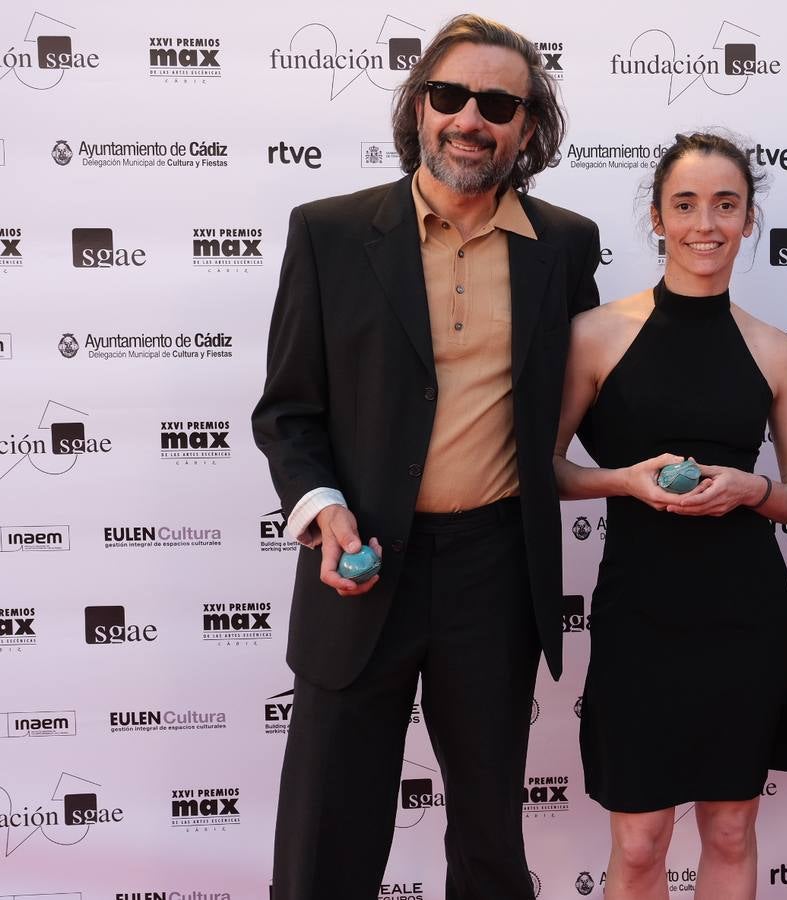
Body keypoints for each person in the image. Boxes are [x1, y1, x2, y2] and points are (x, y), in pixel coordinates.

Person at [251, 14, 601, 899]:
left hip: (493, 571)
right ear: (418, 107)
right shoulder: (329, 232)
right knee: (328, 830)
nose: (469, 118)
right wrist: (324, 510)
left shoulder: (563, 244)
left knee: (489, 835)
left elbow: (598, 390)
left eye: (497, 102)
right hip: (359, 564)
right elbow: (289, 413)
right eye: (449, 96)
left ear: (528, 125)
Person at [553, 132, 787, 900]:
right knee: (639, 843)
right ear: (657, 218)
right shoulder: (595, 335)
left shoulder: (777, 352)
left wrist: (754, 490)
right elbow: (541, 470)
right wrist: (625, 483)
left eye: (726, 205)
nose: (706, 223)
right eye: (686, 204)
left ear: (749, 220)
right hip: (640, 613)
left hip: (744, 613)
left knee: (732, 830)